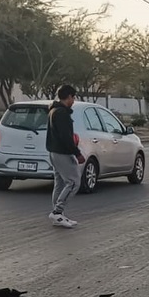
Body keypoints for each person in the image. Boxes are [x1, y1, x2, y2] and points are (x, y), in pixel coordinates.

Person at [46, 85, 86, 228]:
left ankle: (58, 215)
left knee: (60, 183)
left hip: (54, 152)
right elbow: (65, 136)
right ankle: (57, 212)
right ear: (68, 96)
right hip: (62, 152)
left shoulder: (53, 111)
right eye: (73, 97)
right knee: (74, 182)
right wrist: (77, 153)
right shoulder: (61, 113)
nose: (73, 100)